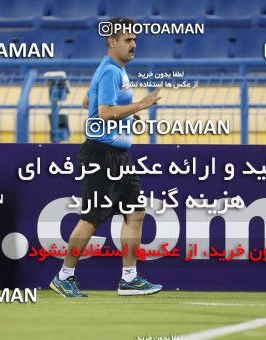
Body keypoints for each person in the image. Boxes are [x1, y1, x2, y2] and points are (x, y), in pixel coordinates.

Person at [50, 17, 163, 297]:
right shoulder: (112, 71)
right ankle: (64, 276)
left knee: (135, 213)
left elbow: (88, 101)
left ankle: (129, 278)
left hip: (118, 156)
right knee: (91, 218)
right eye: (128, 40)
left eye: (135, 40)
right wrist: (141, 104)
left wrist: (126, 109)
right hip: (102, 155)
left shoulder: (113, 69)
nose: (134, 44)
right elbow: (104, 113)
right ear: (112, 42)